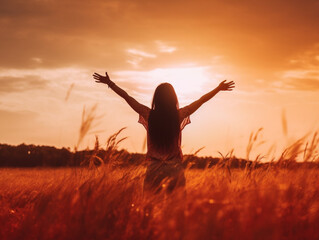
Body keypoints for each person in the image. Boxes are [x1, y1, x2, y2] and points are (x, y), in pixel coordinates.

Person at [93, 72, 235, 193]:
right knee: (175, 212)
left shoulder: (148, 114)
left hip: (153, 169)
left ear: (157, 99)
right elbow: (201, 100)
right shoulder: (179, 115)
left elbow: (127, 97)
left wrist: (110, 83)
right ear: (173, 98)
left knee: (151, 209)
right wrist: (218, 88)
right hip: (175, 170)